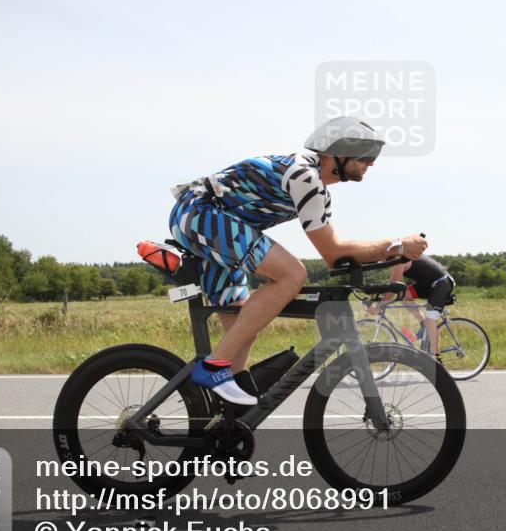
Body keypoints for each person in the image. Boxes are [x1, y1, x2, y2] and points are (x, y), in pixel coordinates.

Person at [169, 117, 428, 405]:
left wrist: (392, 251)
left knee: (242, 330)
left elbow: (338, 257)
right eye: (366, 155)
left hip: (212, 223)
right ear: (337, 153)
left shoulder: (318, 192)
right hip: (200, 214)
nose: (372, 163)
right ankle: (213, 368)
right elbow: (334, 251)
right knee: (292, 274)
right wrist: (397, 244)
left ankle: (227, 419)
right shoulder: (305, 176)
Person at [382, 256, 454, 362]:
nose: (380, 260)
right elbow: (392, 290)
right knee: (403, 295)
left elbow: (392, 288)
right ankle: (422, 322)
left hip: (441, 283)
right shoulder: (398, 258)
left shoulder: (399, 261)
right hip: (428, 284)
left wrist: (379, 305)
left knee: (430, 321)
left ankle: (438, 360)